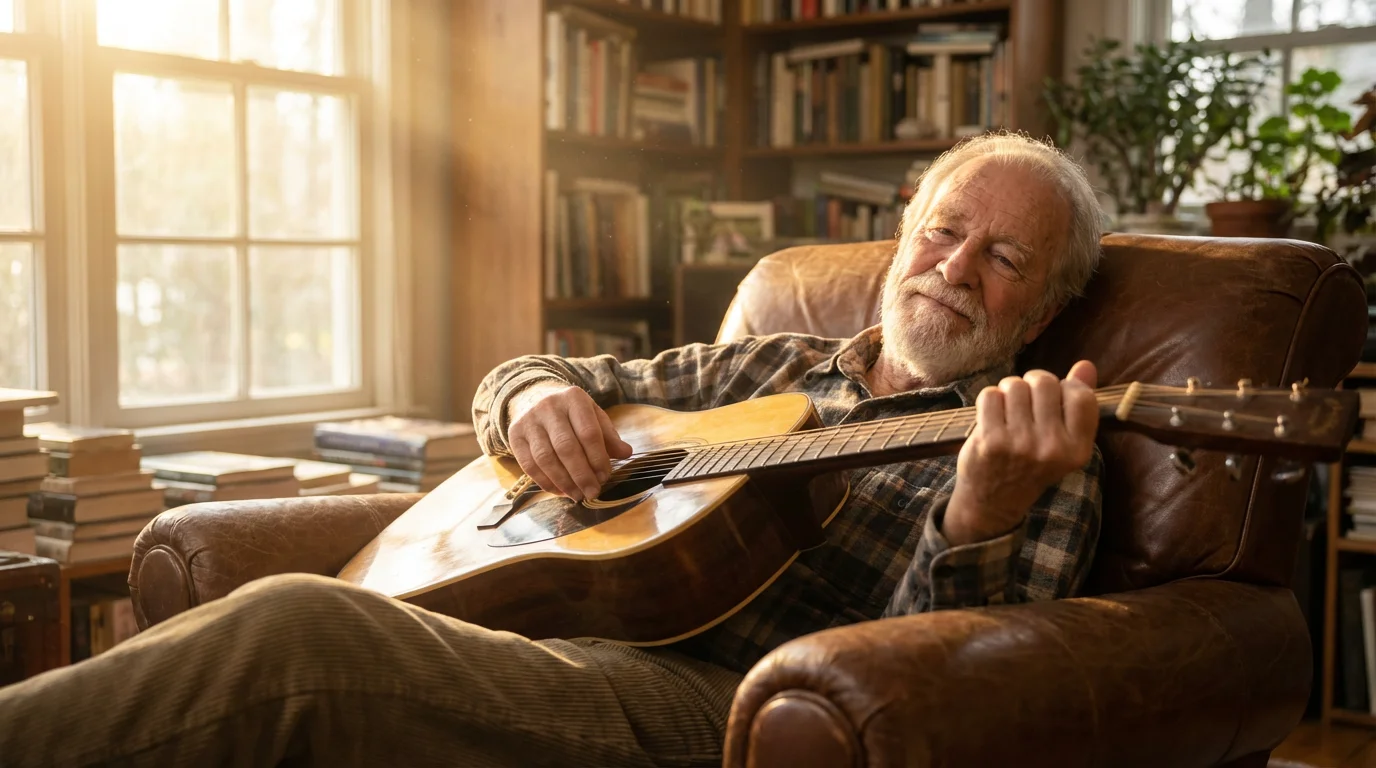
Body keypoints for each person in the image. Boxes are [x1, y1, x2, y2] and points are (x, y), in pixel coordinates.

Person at [0, 132, 1108, 767]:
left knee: (297, 626)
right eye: (943, 231)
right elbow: (537, 381)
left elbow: (939, 689)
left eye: (1003, 256)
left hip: (722, 699)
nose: (955, 270)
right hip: (567, 629)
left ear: (1047, 307)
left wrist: (979, 519)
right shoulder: (769, 366)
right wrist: (532, 395)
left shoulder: (1037, 446)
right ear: (902, 235)